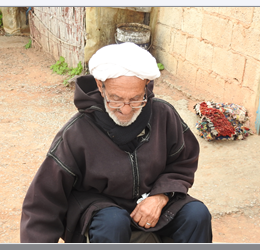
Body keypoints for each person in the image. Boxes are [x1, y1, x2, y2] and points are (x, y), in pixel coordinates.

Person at [20, 42, 212, 243]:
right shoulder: (77, 132)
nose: (126, 110)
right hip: (99, 211)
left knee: (196, 214)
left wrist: (161, 195)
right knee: (112, 221)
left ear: (146, 84)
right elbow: (44, 201)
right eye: (116, 99)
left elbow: (182, 162)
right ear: (100, 86)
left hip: (150, 199)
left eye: (136, 98)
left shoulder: (164, 115)